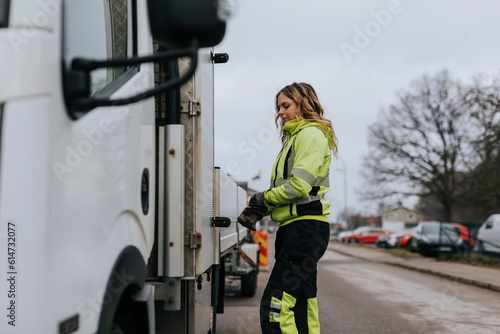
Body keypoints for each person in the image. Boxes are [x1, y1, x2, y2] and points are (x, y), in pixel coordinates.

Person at [237, 82, 338, 333]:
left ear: (303, 103)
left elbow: (299, 187)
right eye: (278, 107)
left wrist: (263, 200)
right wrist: (265, 207)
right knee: (302, 304)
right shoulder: (295, 138)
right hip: (295, 228)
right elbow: (293, 192)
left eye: (286, 105)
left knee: (275, 306)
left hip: (304, 229)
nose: (280, 112)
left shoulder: (310, 135)